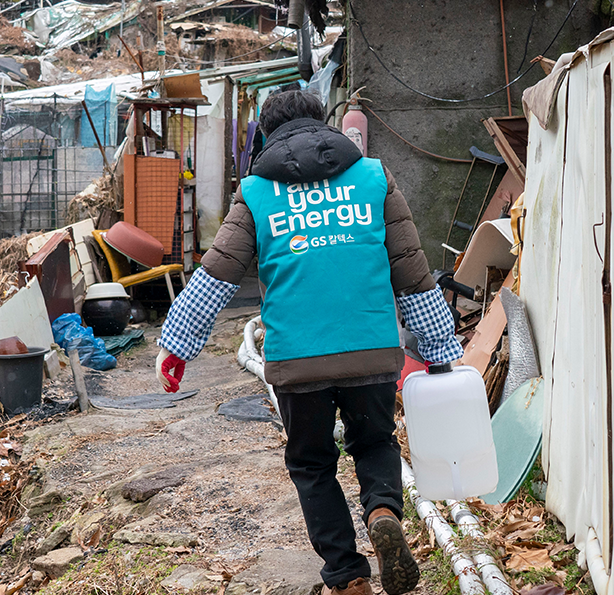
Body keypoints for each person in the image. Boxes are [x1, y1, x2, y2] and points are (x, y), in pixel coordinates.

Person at [155, 90, 462, 595]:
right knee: (374, 442)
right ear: (324, 123)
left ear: (265, 134)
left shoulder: (256, 192)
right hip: (370, 349)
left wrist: (177, 345)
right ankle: (382, 511)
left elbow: (217, 274)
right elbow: (412, 270)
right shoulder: (373, 177)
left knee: (312, 464)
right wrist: (439, 347)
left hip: (298, 360)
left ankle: (347, 576)